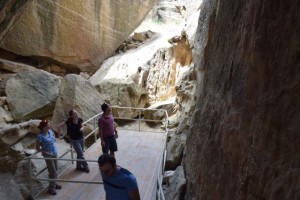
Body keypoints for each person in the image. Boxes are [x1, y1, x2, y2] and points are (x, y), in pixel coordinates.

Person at [36, 120, 62, 195]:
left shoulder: (50, 131)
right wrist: (44, 152)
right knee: (52, 171)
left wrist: (53, 138)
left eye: (49, 124)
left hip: (54, 152)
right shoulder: (40, 136)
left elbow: (53, 137)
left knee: (55, 169)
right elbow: (37, 148)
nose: (49, 125)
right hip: (48, 155)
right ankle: (51, 188)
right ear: (43, 127)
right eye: (48, 125)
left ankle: (53, 184)